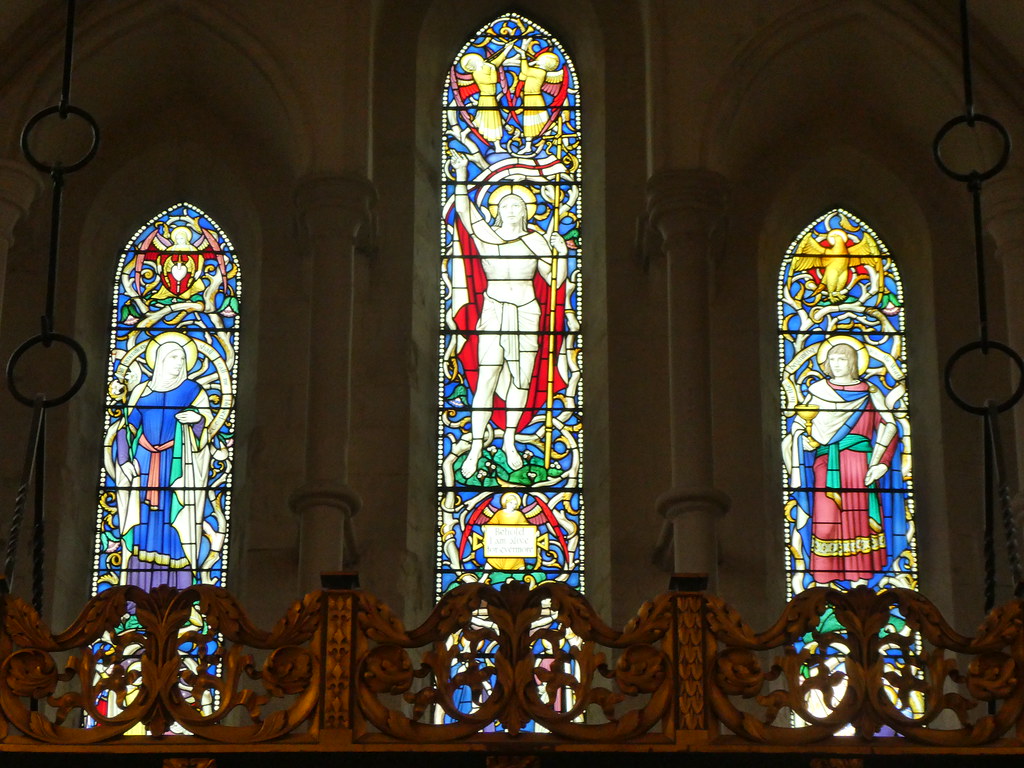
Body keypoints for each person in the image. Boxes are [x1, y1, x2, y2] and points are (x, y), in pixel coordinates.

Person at [449, 152, 567, 480]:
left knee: (521, 381)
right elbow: (464, 210)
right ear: (496, 210)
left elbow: (553, 280)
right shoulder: (486, 237)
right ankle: (476, 447)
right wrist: (461, 174)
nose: (512, 209)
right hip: (494, 310)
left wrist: (561, 254)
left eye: (518, 205)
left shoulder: (537, 241)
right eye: (505, 205)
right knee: (486, 378)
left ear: (527, 211)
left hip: (528, 312)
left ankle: (510, 440)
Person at [785, 339, 898, 583]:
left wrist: (882, 462)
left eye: (842, 359)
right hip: (826, 463)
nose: (836, 364)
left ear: (854, 362)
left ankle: (860, 582)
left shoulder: (869, 392)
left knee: (858, 522)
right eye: (832, 359)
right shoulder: (818, 391)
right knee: (826, 523)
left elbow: (889, 426)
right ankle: (824, 583)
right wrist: (803, 439)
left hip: (859, 464)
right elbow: (800, 426)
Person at [114, 336, 212, 590]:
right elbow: (126, 429)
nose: (179, 362)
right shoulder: (141, 392)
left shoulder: (193, 391)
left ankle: (180, 596)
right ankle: (137, 595)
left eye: (182, 358)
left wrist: (197, 420)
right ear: (159, 360)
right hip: (144, 465)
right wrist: (124, 460)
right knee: (143, 527)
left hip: (176, 467)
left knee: (175, 526)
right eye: (173, 357)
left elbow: (207, 429)